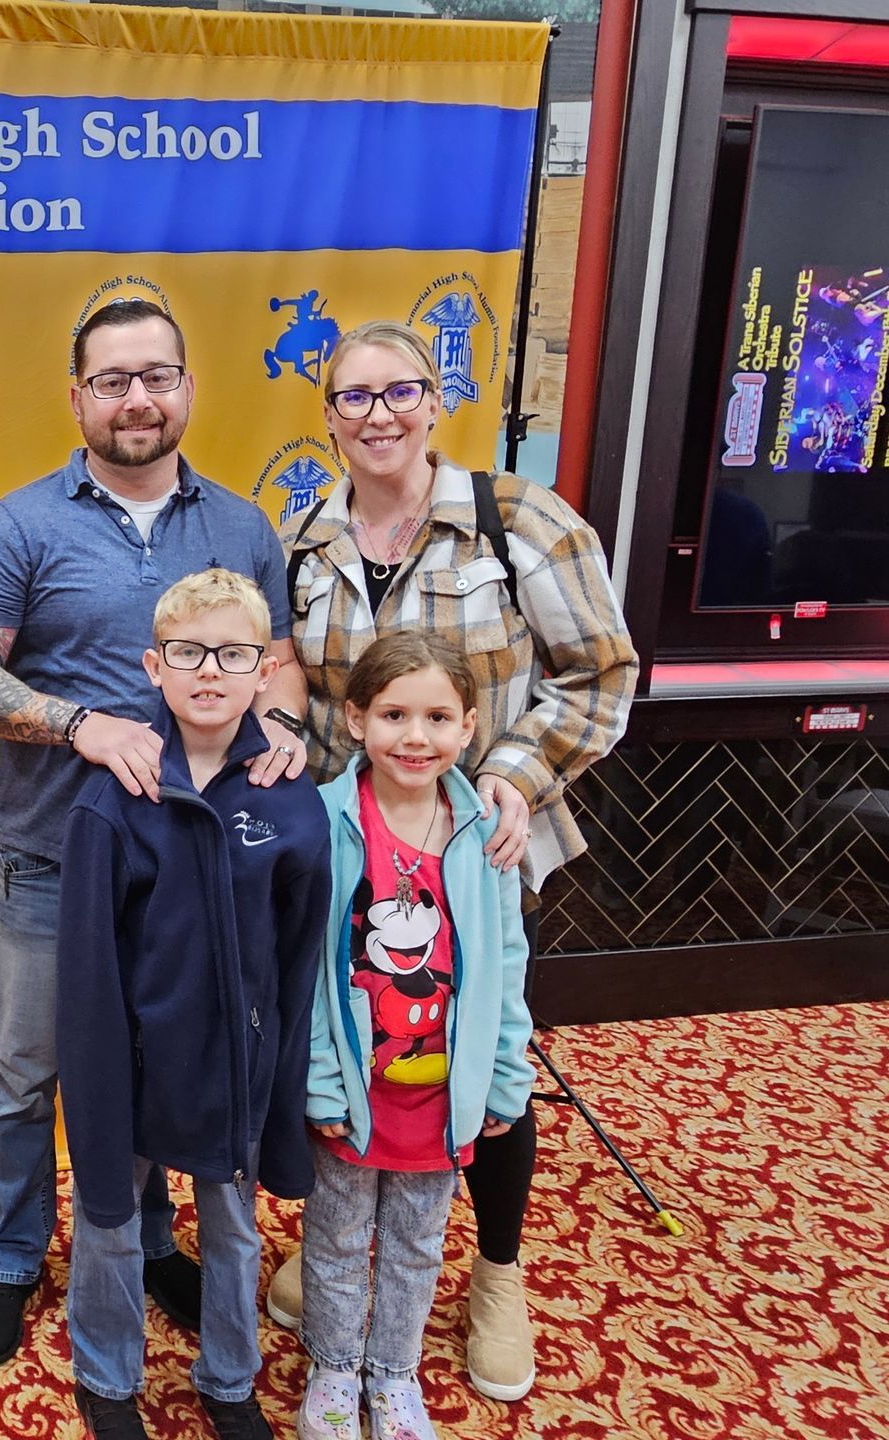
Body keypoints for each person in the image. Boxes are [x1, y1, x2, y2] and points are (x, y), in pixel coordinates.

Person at [0, 299, 311, 1365]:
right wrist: (78, 724)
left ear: (187, 387)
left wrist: (279, 722)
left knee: (163, 1063)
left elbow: (273, 658)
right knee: (25, 1071)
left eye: (156, 375)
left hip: (197, 864)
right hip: (57, 856)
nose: (136, 398)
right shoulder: (20, 524)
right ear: (78, 397)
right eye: (113, 380)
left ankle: (148, 1241)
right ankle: (10, 1250)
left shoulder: (240, 526)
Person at [272, 321, 638, 1401]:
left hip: (486, 848)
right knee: (352, 1031)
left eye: (401, 391)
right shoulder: (308, 536)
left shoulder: (518, 521)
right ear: (329, 415)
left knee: (486, 1058)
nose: (378, 414)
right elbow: (298, 676)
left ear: (436, 402)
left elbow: (602, 674)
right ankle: (337, 1235)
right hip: (354, 854)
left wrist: (514, 776)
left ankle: (498, 1271)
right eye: (354, 397)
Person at [56, 570, 330, 1440]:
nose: (210, 672)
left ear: (266, 671)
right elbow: (88, 969)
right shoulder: (112, 801)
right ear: (153, 667)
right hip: (132, 1067)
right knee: (107, 1219)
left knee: (234, 1230)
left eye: (234, 654)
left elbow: (300, 957)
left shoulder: (290, 801)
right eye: (188, 653)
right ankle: (106, 1376)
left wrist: (282, 1077)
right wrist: (96, 1080)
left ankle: (229, 1379)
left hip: (237, 1070)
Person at [297, 632, 534, 1440]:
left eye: (438, 717)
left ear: (469, 727)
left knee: (417, 1243)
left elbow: (507, 963)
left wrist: (503, 1077)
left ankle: (393, 1374)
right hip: (355, 1090)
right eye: (394, 714)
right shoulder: (325, 824)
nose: (415, 736)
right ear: (356, 718)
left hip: (441, 1096)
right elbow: (305, 972)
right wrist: (321, 1081)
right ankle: (333, 1366)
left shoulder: (486, 833)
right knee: (333, 1237)